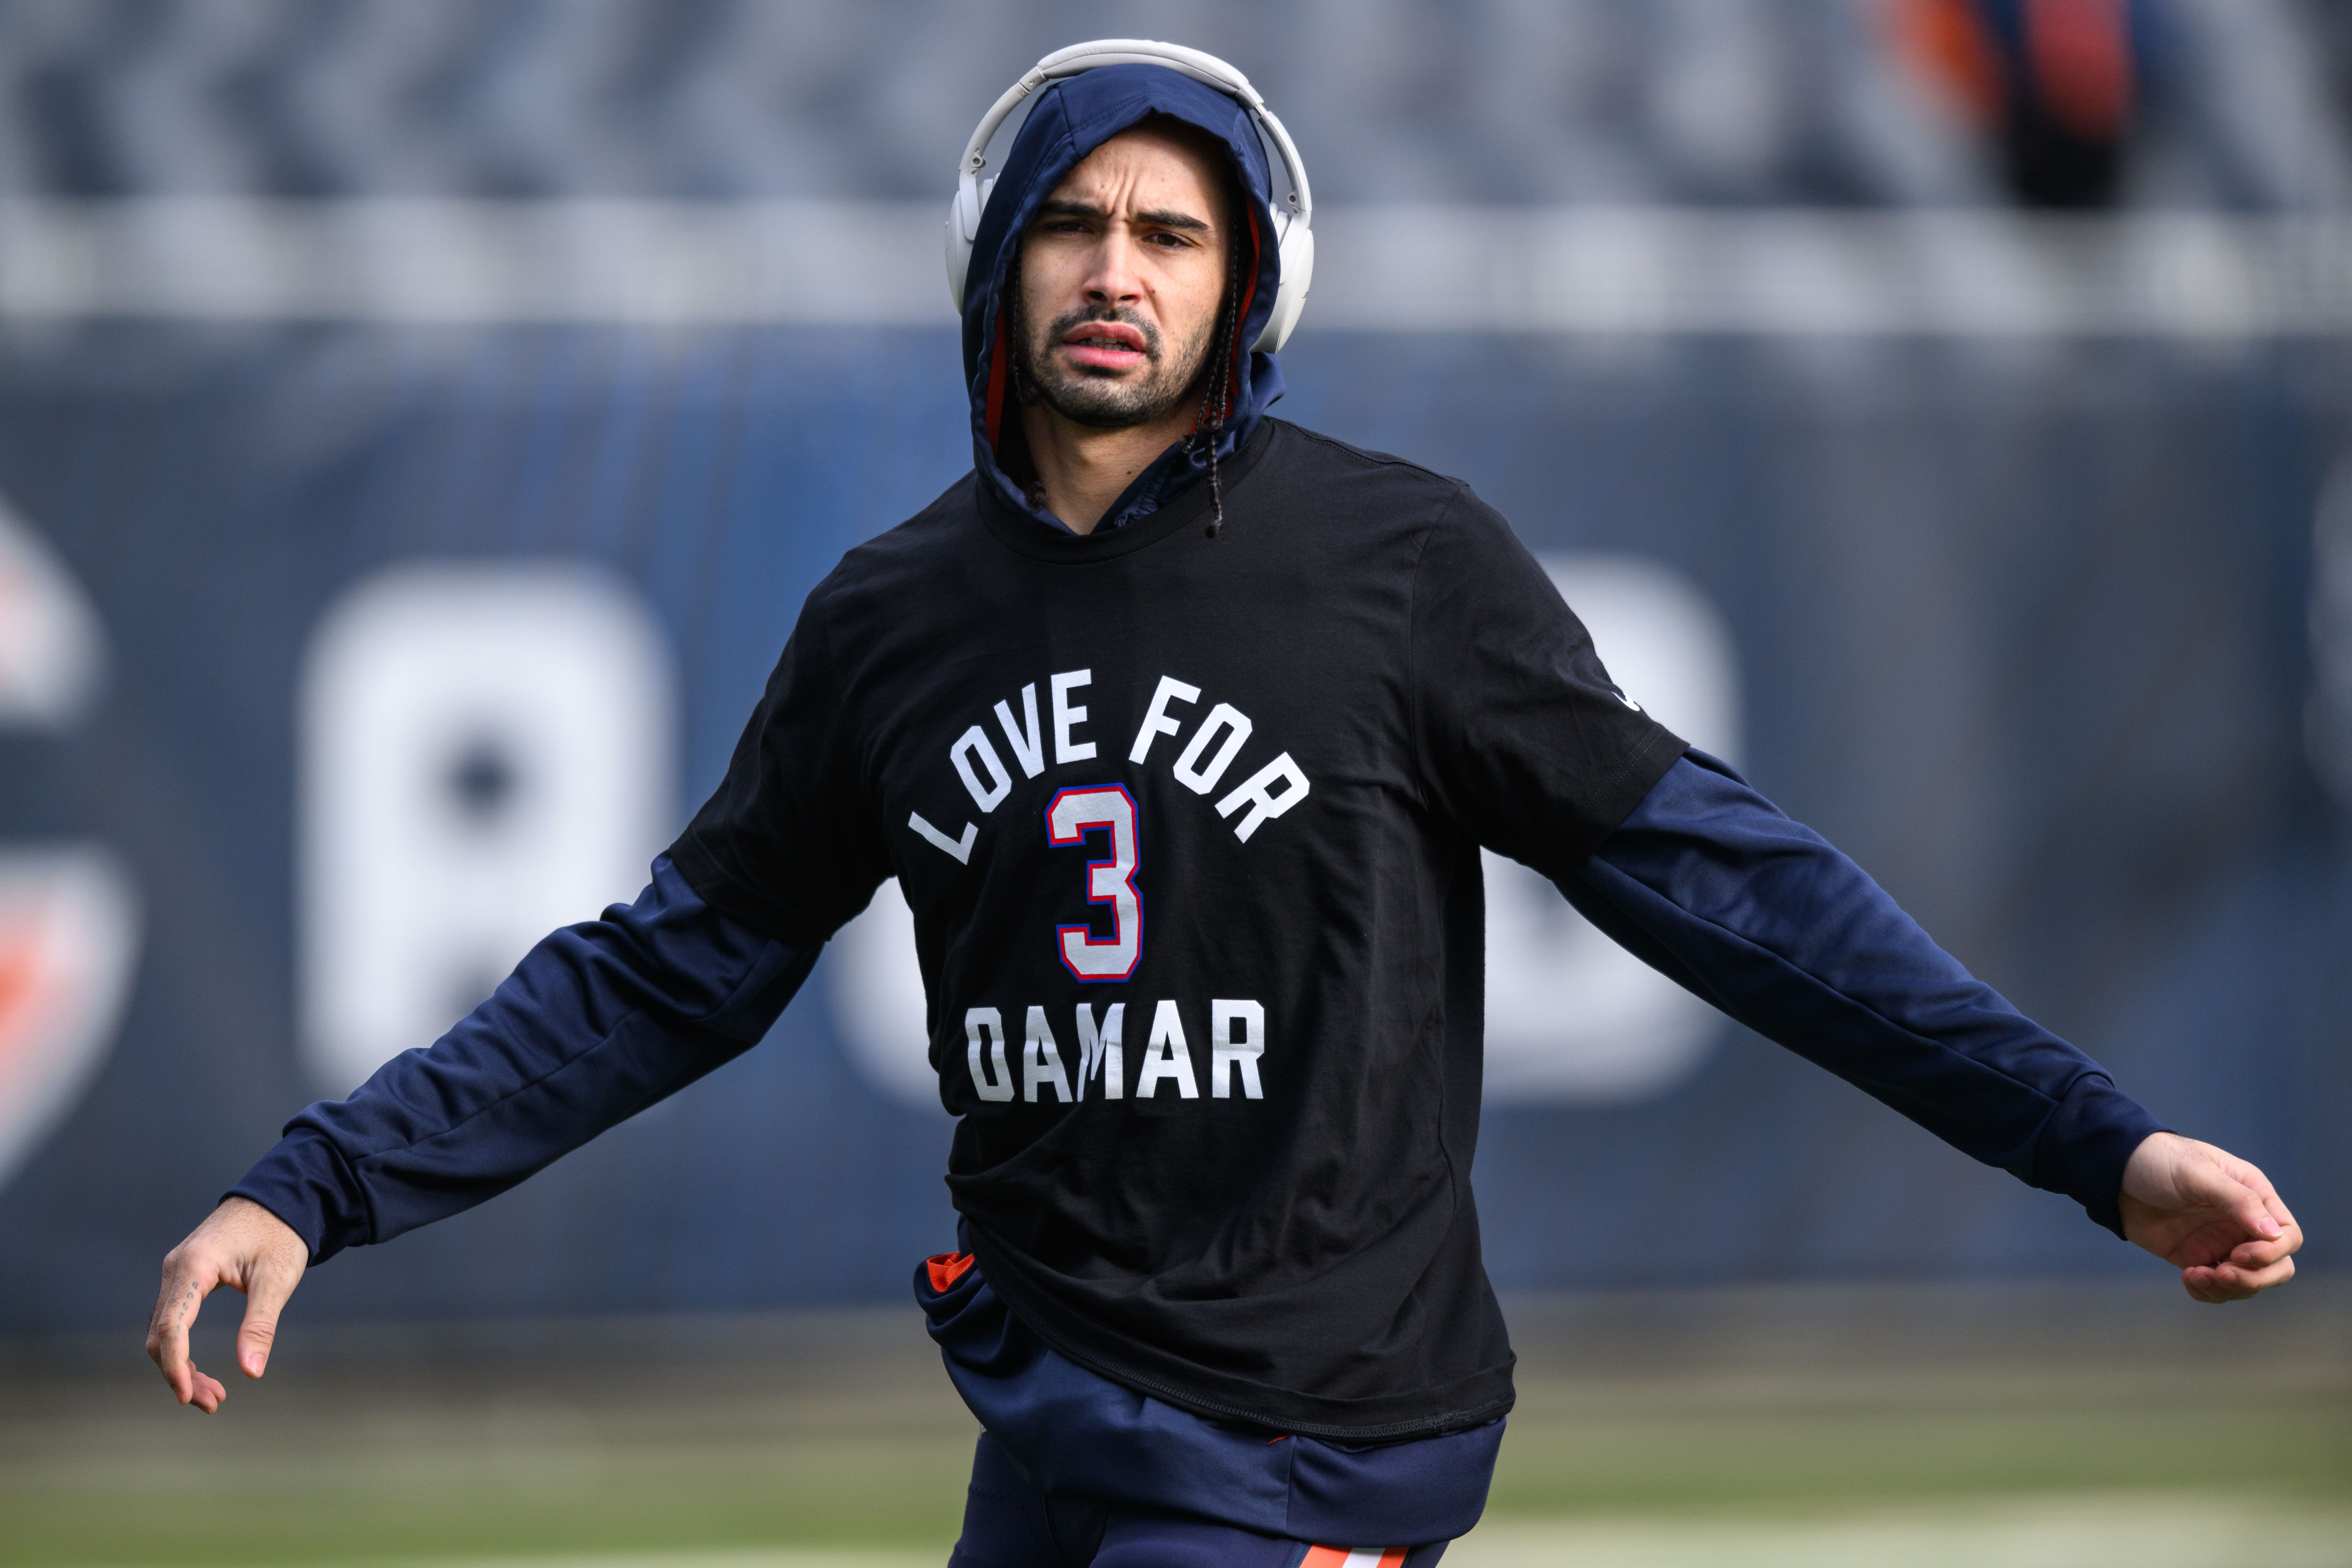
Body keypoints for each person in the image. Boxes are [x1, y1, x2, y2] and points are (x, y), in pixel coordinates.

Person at [147, 45, 2300, 1568]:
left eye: (1170, 232)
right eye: (1072, 221)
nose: (1116, 266)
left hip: (1307, 1420)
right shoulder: (891, 615)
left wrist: (2092, 1144)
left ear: (1242, 280)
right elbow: (668, 971)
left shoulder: (1399, 565)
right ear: (997, 263)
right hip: (1056, 1397)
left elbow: (1726, 885)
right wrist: (321, 1185)